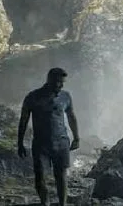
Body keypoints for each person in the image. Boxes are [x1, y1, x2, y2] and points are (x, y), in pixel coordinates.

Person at [17, 68, 80, 206]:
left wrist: (76, 137)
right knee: (40, 178)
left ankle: (62, 204)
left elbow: (71, 117)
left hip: (62, 142)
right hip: (41, 144)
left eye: (63, 82)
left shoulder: (66, 96)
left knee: (61, 176)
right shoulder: (33, 97)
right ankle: (45, 203)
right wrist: (20, 143)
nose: (62, 85)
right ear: (50, 80)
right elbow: (23, 120)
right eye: (59, 82)